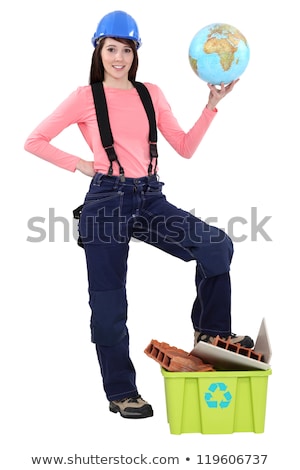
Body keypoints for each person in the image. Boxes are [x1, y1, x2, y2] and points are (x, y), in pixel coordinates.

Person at [24, 10, 254, 420]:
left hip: (149, 198)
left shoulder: (151, 93)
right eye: (111, 49)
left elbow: (183, 147)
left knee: (216, 245)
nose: (118, 57)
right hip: (105, 202)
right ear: (99, 51)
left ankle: (210, 331)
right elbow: (35, 140)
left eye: (126, 50)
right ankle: (122, 392)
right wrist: (82, 164)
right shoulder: (84, 96)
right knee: (110, 304)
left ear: (135, 53)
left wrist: (211, 107)